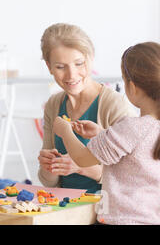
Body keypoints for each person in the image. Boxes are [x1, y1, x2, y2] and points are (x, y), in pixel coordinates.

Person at [53, 42, 160, 224]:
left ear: (132, 87)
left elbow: (82, 158)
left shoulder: (131, 127)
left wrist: (65, 132)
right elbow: (139, 152)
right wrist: (102, 134)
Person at [38, 23, 135, 193]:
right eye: (60, 67)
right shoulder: (53, 105)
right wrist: (49, 165)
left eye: (79, 63)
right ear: (49, 66)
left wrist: (81, 166)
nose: (71, 75)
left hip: (107, 210)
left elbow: (132, 178)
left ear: (91, 58)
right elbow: (48, 183)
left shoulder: (114, 105)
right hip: (66, 205)